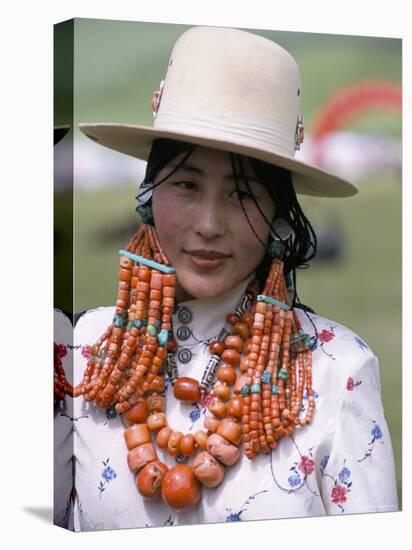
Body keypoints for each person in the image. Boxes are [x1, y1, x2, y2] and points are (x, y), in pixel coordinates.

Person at [62, 25, 398, 531]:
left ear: (280, 213)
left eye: (243, 193)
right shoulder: (76, 357)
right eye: (187, 184)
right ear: (149, 195)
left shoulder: (337, 371)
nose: (209, 224)